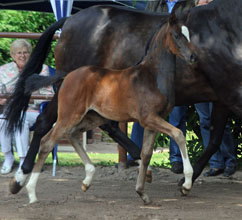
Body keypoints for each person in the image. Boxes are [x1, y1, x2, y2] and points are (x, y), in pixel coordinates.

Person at [127, 0, 196, 167]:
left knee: (176, 111)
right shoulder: (155, 3)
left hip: (179, 65)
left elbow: (189, 33)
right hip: (154, 65)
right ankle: (134, 154)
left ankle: (176, 158)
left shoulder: (188, 4)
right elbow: (145, 29)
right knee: (142, 108)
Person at [0, 39, 53, 175]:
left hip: (33, 111)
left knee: (21, 120)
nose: (22, 56)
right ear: (12, 55)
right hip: (11, 109)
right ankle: (8, 157)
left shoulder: (42, 69)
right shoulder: (3, 70)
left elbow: (49, 94)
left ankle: (24, 160)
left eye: (25, 52)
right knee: (1, 120)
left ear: (31, 54)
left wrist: (31, 95)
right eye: (18, 53)